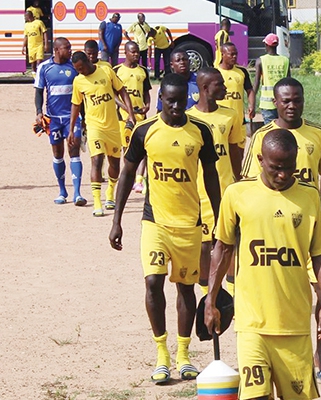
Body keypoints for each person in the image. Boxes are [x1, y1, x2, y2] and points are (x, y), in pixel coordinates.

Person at [204, 128, 321, 400]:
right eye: (276, 168)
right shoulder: (237, 194)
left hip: (295, 324)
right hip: (252, 323)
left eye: (290, 168)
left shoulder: (310, 197)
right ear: (261, 160)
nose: (283, 175)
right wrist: (210, 299)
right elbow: (223, 248)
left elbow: (320, 253)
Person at [109, 73, 222, 384]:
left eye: (180, 100)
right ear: (160, 100)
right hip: (155, 222)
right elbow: (127, 175)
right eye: (169, 100)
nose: (175, 106)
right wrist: (116, 220)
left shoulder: (200, 132)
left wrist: (221, 215)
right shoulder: (145, 131)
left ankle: (184, 355)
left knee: (185, 289)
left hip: (189, 224)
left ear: (187, 99)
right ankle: (162, 354)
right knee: (152, 283)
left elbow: (211, 176)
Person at [241, 77, 321, 387]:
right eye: (285, 100)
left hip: (310, 224)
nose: (291, 104)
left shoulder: (317, 134)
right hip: (273, 228)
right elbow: (248, 185)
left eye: (297, 99)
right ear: (275, 102)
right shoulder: (263, 136)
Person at [186, 67, 244, 296]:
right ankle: (206, 294)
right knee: (204, 246)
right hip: (199, 192)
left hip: (227, 190)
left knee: (229, 243)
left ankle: (230, 295)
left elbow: (235, 152)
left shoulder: (230, 116)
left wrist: (239, 183)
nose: (225, 88)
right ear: (205, 88)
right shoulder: (189, 119)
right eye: (219, 85)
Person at [69, 51, 135, 217]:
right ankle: (97, 202)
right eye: (77, 69)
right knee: (97, 161)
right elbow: (76, 105)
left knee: (114, 164)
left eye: (81, 68)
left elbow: (122, 91)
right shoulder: (78, 81)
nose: (80, 71)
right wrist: (71, 129)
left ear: (87, 61)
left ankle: (110, 193)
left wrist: (131, 114)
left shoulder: (106, 70)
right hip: (94, 126)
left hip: (112, 127)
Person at [34, 37, 85, 206]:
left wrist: (84, 117)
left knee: (74, 151)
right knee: (57, 154)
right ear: (56, 50)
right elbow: (39, 92)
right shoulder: (44, 67)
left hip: (72, 118)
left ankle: (77, 193)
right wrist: (39, 113)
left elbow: (82, 93)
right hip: (54, 119)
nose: (70, 50)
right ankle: (62, 191)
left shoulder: (74, 67)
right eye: (66, 48)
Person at [114, 41, 151, 193]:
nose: (136, 54)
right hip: (123, 117)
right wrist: (125, 107)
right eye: (133, 52)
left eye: (137, 52)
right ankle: (128, 175)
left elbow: (146, 91)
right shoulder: (117, 70)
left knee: (144, 149)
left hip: (140, 116)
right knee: (127, 148)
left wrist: (147, 105)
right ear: (126, 52)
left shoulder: (143, 71)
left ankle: (139, 180)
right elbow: (113, 94)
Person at [252, 33, 289, 125]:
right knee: (283, 127)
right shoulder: (285, 60)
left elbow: (256, 83)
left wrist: (251, 101)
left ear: (266, 45)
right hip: (282, 101)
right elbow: (289, 82)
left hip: (267, 103)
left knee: (270, 129)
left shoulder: (260, 61)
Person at [216, 42, 255, 125]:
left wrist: (251, 105)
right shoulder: (215, 72)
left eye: (236, 54)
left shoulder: (242, 72)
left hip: (238, 118)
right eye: (231, 54)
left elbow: (250, 90)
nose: (234, 57)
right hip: (221, 119)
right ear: (223, 54)